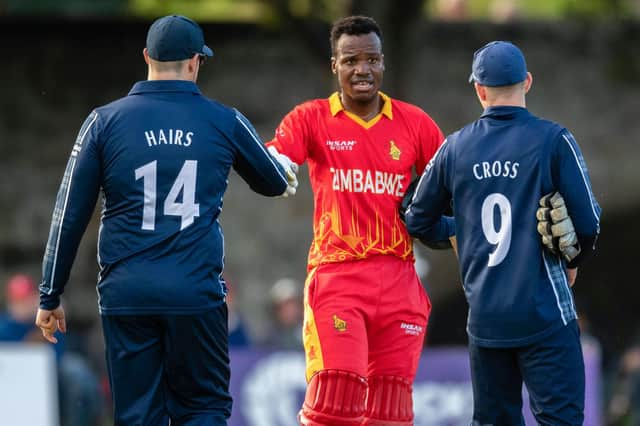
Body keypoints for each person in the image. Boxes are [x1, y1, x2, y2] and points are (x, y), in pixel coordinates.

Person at [35, 15, 297, 426]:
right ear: (195, 62)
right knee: (204, 408)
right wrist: (282, 165)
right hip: (196, 294)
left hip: (127, 294)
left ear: (146, 57)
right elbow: (272, 180)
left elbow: (69, 212)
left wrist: (50, 294)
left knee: (138, 415)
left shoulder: (103, 122)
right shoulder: (223, 120)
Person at [406, 41, 601, 424]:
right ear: (527, 82)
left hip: (486, 321)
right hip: (546, 312)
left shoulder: (454, 147)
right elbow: (588, 223)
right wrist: (574, 259)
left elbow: (416, 219)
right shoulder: (554, 140)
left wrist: (460, 230)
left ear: (479, 89)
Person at [266, 15, 445, 425]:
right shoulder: (311, 118)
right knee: (335, 401)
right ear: (335, 66)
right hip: (339, 277)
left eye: (371, 59)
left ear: (383, 63)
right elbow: (276, 160)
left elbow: (455, 192)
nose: (362, 69)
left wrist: (451, 231)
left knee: (391, 412)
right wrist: (272, 165)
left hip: (400, 279)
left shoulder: (416, 124)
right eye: (350, 60)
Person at [0, 274, 102, 426]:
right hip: (15, 384)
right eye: (19, 301)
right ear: (11, 303)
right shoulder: (4, 326)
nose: (24, 305)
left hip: (52, 376)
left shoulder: (47, 320)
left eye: (27, 299)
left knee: (77, 373)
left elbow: (59, 354)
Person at [264, 277, 303, 349]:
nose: (290, 311)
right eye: (284, 306)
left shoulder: (310, 334)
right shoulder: (268, 338)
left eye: (293, 305)